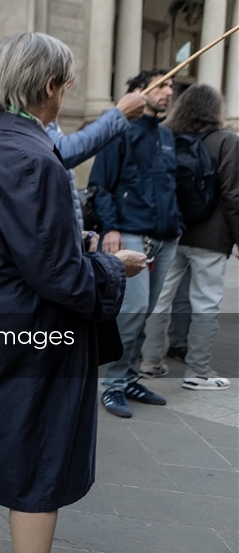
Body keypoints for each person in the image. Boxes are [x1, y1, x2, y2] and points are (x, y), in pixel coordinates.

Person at [0, 32, 145, 553]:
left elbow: (18, 243)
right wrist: (117, 267)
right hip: (30, 340)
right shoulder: (33, 157)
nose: (66, 93)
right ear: (48, 86)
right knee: (36, 467)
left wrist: (79, 242)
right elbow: (62, 278)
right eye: (67, 83)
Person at [88, 68, 183, 418]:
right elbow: (100, 185)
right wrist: (111, 228)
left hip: (164, 237)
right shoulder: (120, 131)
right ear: (139, 91)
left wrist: (177, 224)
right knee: (131, 311)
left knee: (145, 312)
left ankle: (128, 378)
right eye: (163, 85)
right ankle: (111, 385)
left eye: (172, 86)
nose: (169, 92)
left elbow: (170, 185)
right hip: (130, 234)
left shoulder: (167, 136)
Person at [140, 84, 238, 390]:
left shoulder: (167, 136)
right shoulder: (227, 141)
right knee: (206, 302)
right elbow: (234, 195)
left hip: (171, 232)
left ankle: (150, 362)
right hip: (211, 235)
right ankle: (198, 372)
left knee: (160, 299)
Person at [45, 92, 147, 233]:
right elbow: (62, 152)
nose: (67, 88)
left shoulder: (45, 124)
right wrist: (120, 114)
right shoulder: (32, 122)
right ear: (50, 87)